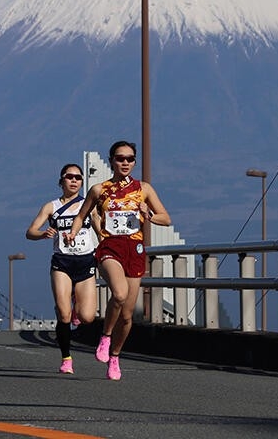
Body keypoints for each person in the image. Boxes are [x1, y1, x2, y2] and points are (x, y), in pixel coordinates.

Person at [68, 141, 171, 380]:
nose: (125, 162)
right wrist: (73, 233)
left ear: (134, 162)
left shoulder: (143, 189)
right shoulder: (99, 190)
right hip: (109, 248)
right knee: (120, 293)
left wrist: (149, 215)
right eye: (120, 158)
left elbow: (166, 218)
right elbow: (81, 216)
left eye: (130, 159)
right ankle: (105, 336)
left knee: (126, 315)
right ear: (112, 161)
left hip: (134, 250)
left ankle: (114, 356)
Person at [26, 163, 100, 374]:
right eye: (69, 177)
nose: (74, 180)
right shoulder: (51, 207)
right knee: (64, 314)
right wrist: (43, 234)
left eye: (78, 177)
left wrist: (105, 248)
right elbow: (30, 232)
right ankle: (66, 358)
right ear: (61, 181)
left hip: (85, 262)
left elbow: (99, 228)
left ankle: (76, 301)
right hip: (62, 263)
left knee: (87, 317)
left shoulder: (88, 204)